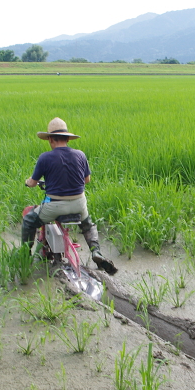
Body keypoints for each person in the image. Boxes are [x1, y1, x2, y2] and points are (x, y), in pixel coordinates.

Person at [22, 117, 117, 275]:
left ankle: (25, 256)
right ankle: (96, 252)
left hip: (54, 206)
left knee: (29, 221)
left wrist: (28, 181)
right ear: (67, 138)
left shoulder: (45, 157)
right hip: (79, 204)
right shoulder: (80, 155)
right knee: (88, 225)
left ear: (51, 139)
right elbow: (87, 180)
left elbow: (33, 182)